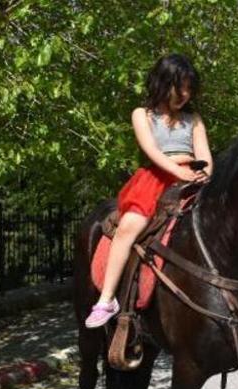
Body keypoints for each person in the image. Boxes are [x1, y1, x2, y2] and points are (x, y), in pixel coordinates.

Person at [85, 53, 213, 328]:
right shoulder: (142, 115)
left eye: (189, 88)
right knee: (130, 226)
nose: (185, 94)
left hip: (192, 177)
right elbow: (152, 151)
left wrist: (203, 175)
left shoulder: (194, 120)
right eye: (179, 86)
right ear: (162, 82)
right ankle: (107, 299)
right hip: (155, 178)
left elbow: (205, 156)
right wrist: (178, 169)